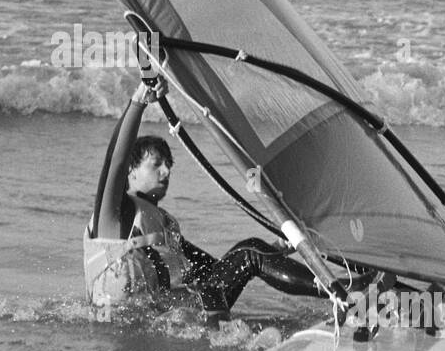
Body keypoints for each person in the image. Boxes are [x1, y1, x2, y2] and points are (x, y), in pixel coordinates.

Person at [83, 74, 337, 319]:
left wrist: (275, 250)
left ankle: (339, 293)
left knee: (248, 253)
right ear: (131, 170)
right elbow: (114, 161)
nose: (166, 171)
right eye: (156, 164)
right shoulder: (113, 215)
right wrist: (139, 100)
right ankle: (340, 291)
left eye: (168, 164)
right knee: (249, 253)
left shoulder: (165, 228)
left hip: (166, 320)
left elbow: (218, 271)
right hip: (126, 322)